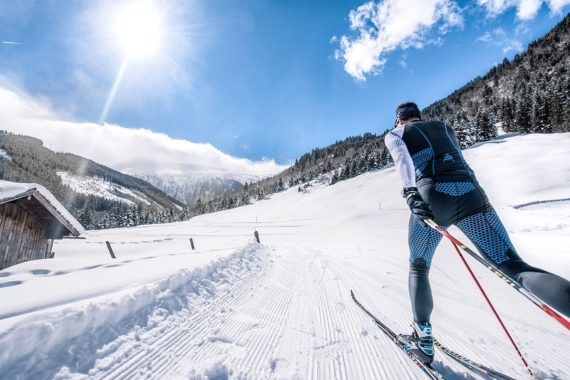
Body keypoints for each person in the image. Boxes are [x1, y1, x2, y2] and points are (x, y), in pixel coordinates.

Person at [384, 102, 570, 364]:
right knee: (514, 266)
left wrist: (410, 193)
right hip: (472, 196)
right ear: (418, 116)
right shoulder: (445, 127)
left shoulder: (397, 134)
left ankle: (422, 339)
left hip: (432, 198)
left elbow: (402, 160)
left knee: (419, 267)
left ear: (399, 120)